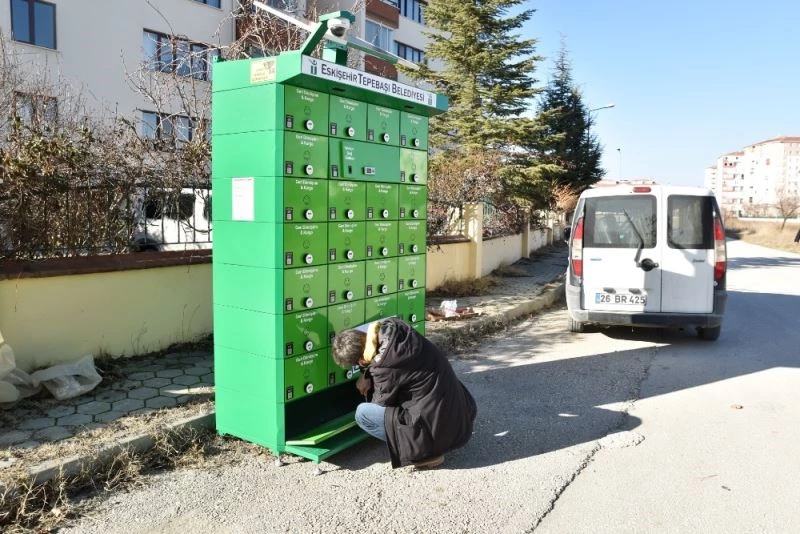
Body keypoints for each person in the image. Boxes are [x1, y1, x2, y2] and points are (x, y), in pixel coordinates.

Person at [331, 317, 477, 469]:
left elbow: (380, 403)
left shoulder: (383, 368)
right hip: (461, 414)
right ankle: (430, 441)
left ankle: (427, 453)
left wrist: (369, 378)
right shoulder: (396, 328)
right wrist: (367, 373)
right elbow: (382, 362)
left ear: (361, 361)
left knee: (363, 414)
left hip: (439, 433)